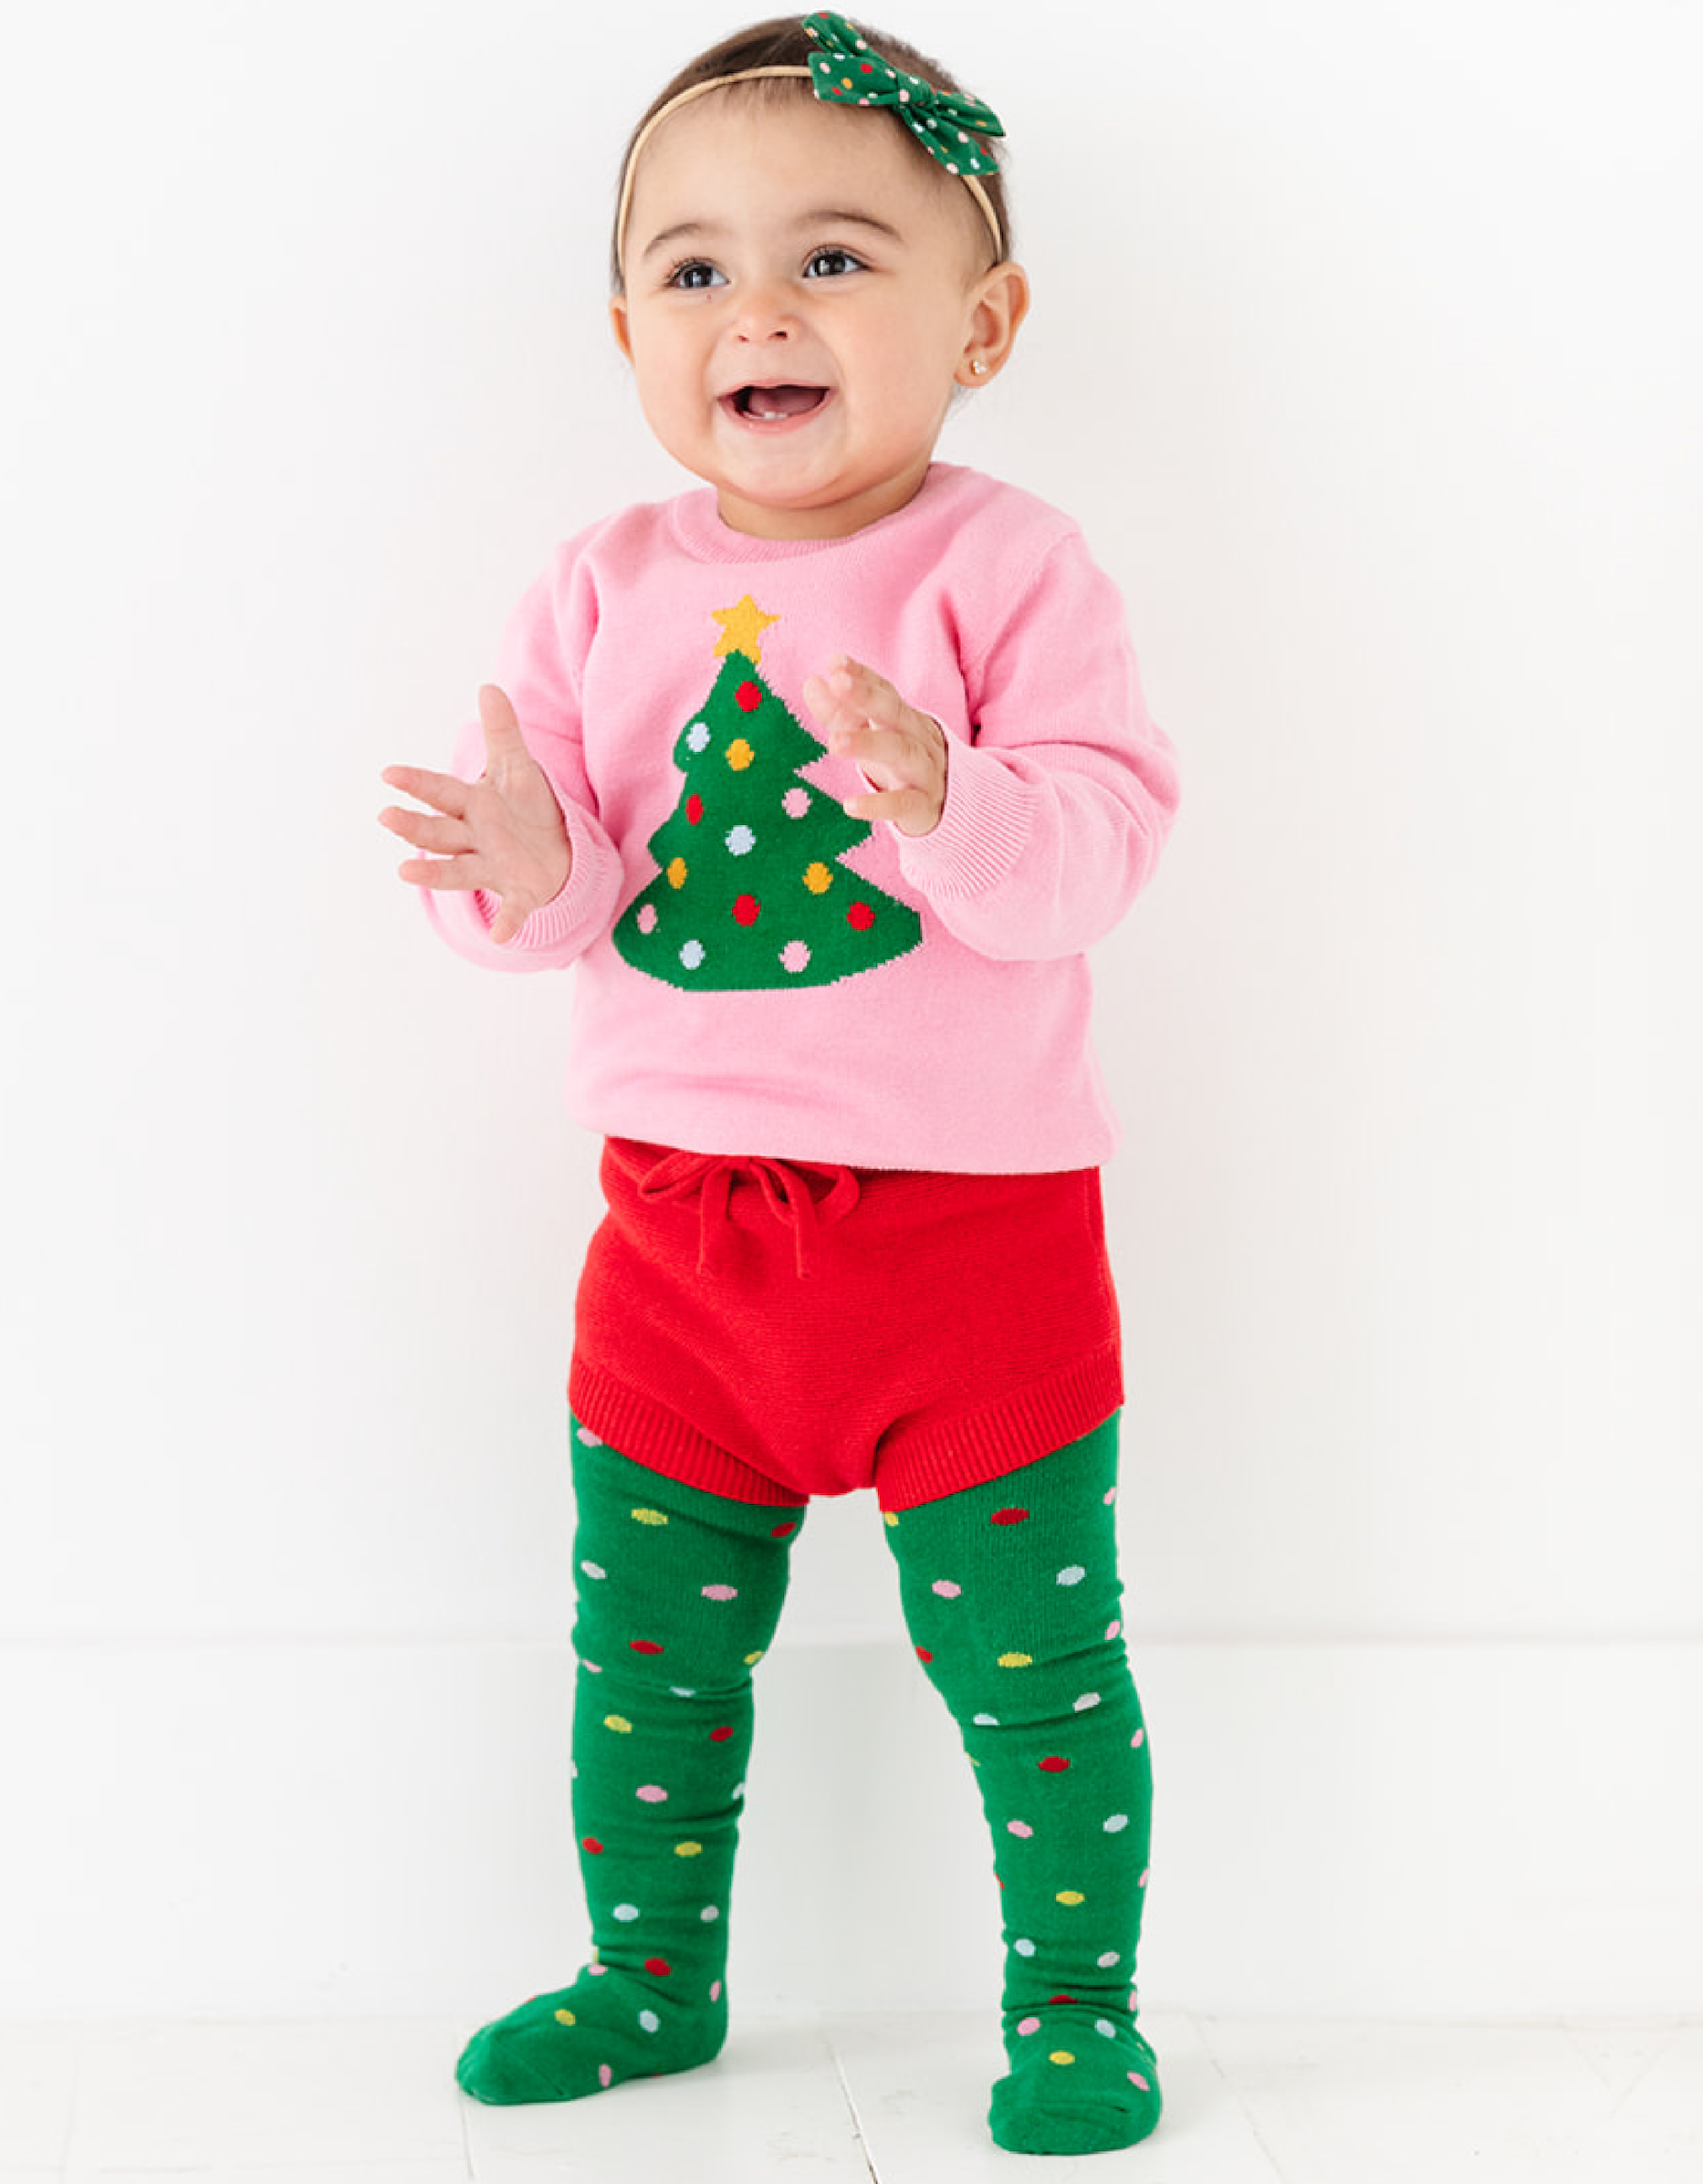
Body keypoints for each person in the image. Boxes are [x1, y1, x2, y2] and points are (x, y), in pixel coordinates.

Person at [378, 11, 1179, 2158]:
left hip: (970, 1250)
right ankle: (650, 1978)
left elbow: (1103, 837)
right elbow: (562, 912)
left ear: (980, 322)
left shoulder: (1007, 567)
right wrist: (528, 872)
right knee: (644, 1657)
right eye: (698, 268)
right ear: (629, 324)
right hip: (674, 1245)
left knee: (1034, 1673)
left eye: (835, 258)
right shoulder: (597, 587)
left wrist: (954, 797)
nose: (760, 307)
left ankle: (1080, 1998)